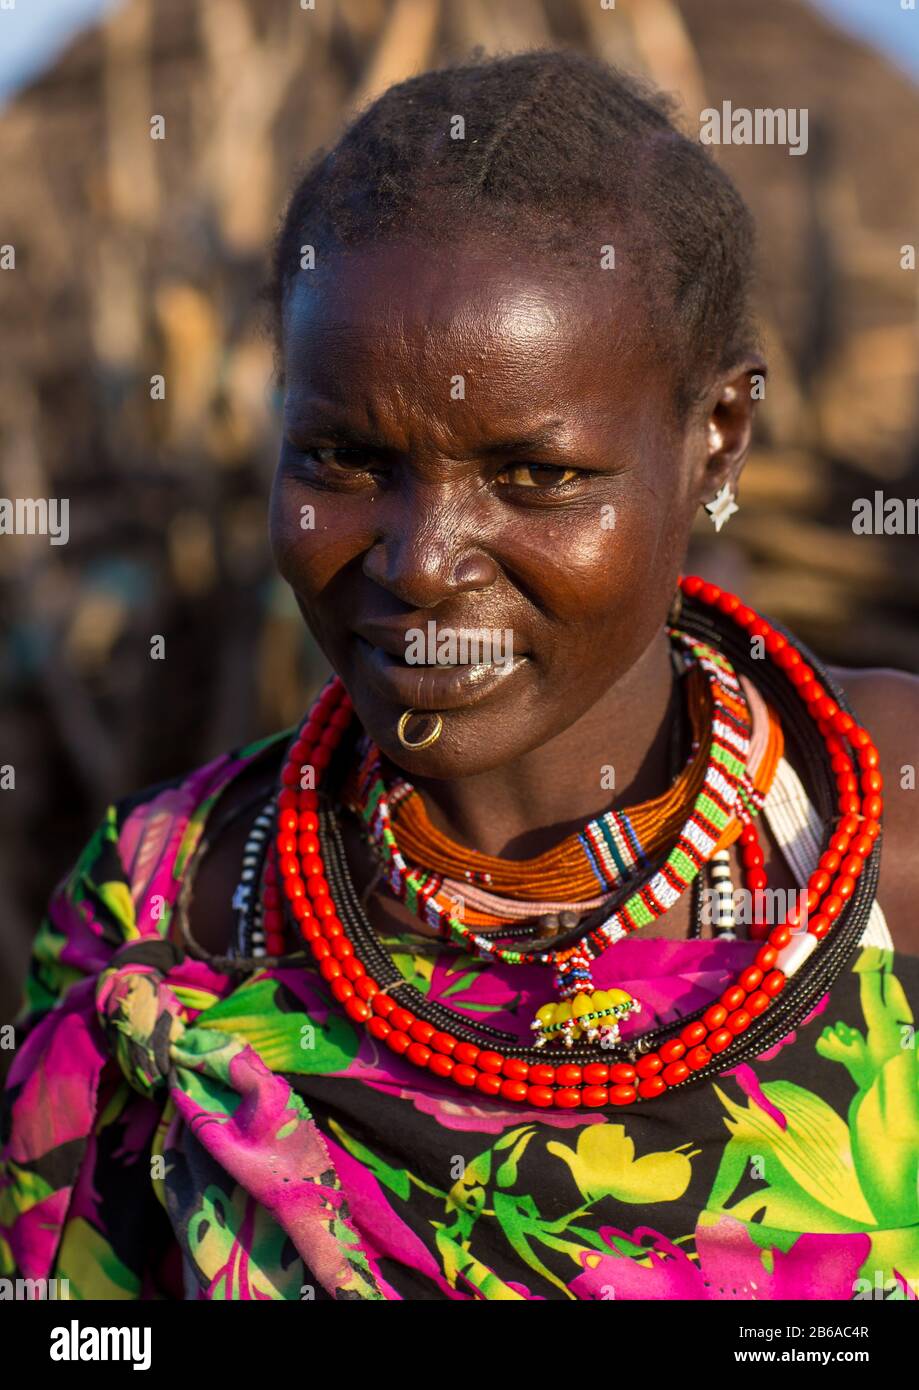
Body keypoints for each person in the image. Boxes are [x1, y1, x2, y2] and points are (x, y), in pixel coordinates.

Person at [2, 49, 918, 1303]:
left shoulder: (889, 841)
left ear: (716, 440)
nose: (422, 564)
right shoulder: (167, 913)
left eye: (537, 475)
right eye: (340, 457)